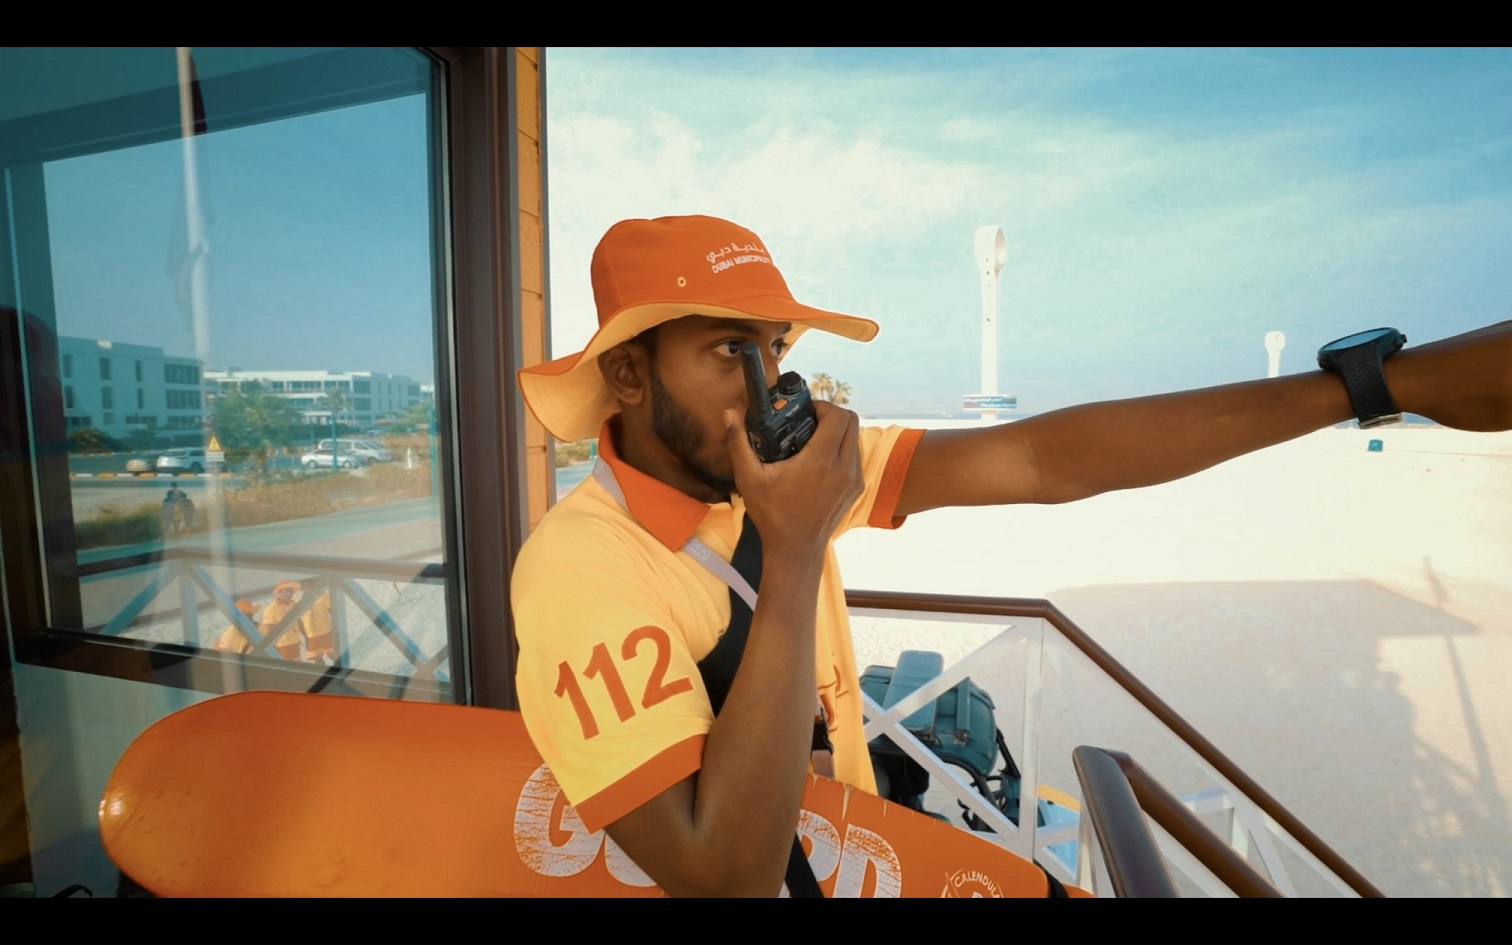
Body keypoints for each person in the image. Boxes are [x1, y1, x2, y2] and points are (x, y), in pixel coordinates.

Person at [509, 214, 1512, 897]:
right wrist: (800, 539)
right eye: (731, 351)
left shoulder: (764, 479)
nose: (771, 384)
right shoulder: (583, 569)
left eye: (776, 348)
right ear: (629, 375)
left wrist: (1370, 387)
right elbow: (720, 874)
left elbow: (1042, 458)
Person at [260, 581, 305, 661]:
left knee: (298, 665)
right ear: (279, 593)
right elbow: (268, 629)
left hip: (295, 642)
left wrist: (304, 636)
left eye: (290, 591)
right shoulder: (270, 609)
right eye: (286, 592)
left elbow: (299, 621)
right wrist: (272, 647)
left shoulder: (294, 605)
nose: (289, 594)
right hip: (282, 645)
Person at [299, 579, 335, 665]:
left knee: (334, 656)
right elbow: (299, 622)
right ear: (302, 588)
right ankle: (324, 672)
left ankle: (339, 670)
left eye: (309, 586)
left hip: (325, 632)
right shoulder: (299, 603)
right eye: (305, 586)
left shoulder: (322, 597)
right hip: (311, 636)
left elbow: (333, 612)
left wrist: (334, 629)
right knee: (317, 660)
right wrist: (305, 635)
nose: (307, 588)